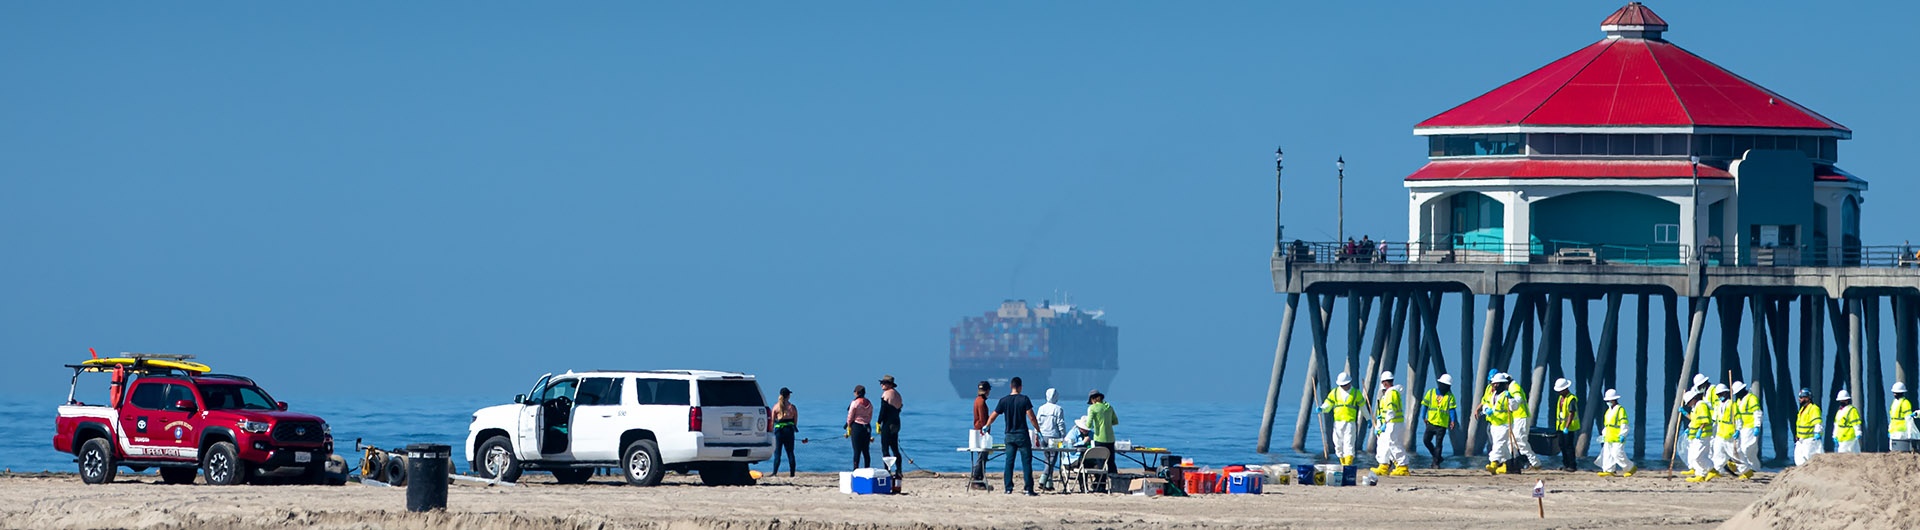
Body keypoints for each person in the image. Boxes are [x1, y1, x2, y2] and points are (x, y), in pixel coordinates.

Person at [982, 377, 1041, 495]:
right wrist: (1038, 430)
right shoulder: (1024, 399)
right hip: (1022, 435)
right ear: (1020, 387)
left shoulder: (1004, 400)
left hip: (1009, 435)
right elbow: (1031, 417)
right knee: (1026, 462)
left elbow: (994, 415)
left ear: (1011, 386)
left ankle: (1008, 488)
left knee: (1009, 462)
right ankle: (1028, 488)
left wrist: (987, 425)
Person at [1319, 372, 1365, 466]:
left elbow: (1363, 407)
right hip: (1338, 423)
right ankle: (1343, 463)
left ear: (1349, 383)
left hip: (1350, 422)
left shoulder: (1356, 393)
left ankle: (1348, 464)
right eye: (1342, 385)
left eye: (1345, 384)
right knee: (1338, 444)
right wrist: (1322, 408)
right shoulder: (1335, 392)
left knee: (1349, 444)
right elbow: (1328, 405)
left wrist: (1368, 418)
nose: (1344, 386)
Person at [1372, 371, 1410, 476]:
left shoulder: (1391, 393)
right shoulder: (1389, 394)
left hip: (1393, 423)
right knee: (1384, 445)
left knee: (1395, 444)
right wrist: (1380, 421)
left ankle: (1402, 467)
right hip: (1389, 423)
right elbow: (1385, 411)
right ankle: (1383, 466)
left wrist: (1385, 423)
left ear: (1384, 383)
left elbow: (1391, 411)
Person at [1481, 372, 1516, 474]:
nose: (1495, 385)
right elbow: (1486, 404)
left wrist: (1511, 399)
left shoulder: (1507, 395)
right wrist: (1486, 409)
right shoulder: (1493, 395)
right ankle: (1506, 465)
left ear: (1503, 384)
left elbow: (1514, 407)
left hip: (1504, 424)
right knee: (1503, 446)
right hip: (1494, 424)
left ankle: (1493, 463)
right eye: (1494, 383)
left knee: (1498, 444)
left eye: (1497, 383)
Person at [1420, 374, 1457, 469]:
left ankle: (1436, 463)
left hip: (1442, 424)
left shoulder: (1450, 396)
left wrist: (1453, 420)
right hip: (1431, 422)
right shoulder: (1431, 392)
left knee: (1438, 444)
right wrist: (1423, 416)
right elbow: (1425, 405)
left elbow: (1452, 409)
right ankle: (1438, 457)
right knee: (1426, 440)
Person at [1507, 376, 1544, 470]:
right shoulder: (1512, 387)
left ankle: (1535, 463)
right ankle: (1515, 462)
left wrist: (1511, 399)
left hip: (1521, 416)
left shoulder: (1514, 387)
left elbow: (1518, 399)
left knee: (1520, 440)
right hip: (1517, 417)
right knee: (1513, 441)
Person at [1595, 389, 1634, 477]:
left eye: (1609, 400)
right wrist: (1603, 435)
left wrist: (1623, 434)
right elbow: (1607, 425)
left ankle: (1630, 468)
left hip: (1617, 436)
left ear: (1614, 399)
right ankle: (1609, 470)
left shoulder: (1620, 410)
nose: (1608, 402)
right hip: (1609, 436)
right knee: (1607, 454)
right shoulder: (1608, 411)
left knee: (1618, 453)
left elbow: (1624, 423)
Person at [1035, 388, 1066, 491]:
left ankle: (1049, 483)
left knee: (1047, 459)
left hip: (1043, 436)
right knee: (1052, 459)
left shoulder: (1041, 408)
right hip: (1055, 436)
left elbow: (1037, 423)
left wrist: (1036, 435)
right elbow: (1060, 424)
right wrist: (1063, 436)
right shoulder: (1058, 409)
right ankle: (1043, 479)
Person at [1086, 389, 1120, 484]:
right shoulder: (1109, 407)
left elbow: (1088, 425)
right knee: (1111, 462)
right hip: (1110, 438)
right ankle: (1116, 483)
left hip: (1099, 438)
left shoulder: (1092, 408)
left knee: (1100, 463)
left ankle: (1101, 484)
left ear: (1093, 399)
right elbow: (1115, 421)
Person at [1684, 390, 1718, 482]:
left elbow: (1705, 420)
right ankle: (1700, 475)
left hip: (1703, 434)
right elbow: (1695, 420)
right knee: (1695, 456)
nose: (1688, 405)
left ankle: (1712, 469)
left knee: (1698, 456)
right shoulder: (1695, 407)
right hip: (1696, 435)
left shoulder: (1701, 405)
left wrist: (1700, 430)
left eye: (1689, 402)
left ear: (1693, 399)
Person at [1731, 381, 1762, 479]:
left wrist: (1757, 426)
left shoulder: (1751, 398)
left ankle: (1749, 469)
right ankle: (1754, 468)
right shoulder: (1739, 401)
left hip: (1751, 427)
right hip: (1742, 428)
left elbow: (1757, 412)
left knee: (1746, 449)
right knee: (1748, 451)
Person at [1710, 384, 1740, 478]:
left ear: (1727, 393)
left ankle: (1746, 470)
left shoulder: (1732, 404)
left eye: (1721, 394)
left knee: (1734, 454)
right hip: (1720, 433)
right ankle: (1717, 470)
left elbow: (1738, 418)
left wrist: (1738, 429)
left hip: (1729, 432)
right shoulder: (1718, 405)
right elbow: (1714, 419)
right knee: (1718, 452)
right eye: (1718, 395)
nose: (1720, 396)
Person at [876, 375, 904, 475]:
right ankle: (899, 470)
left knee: (885, 448)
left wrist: (878, 422)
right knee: (895, 448)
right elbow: (899, 408)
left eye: (884, 383)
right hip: (896, 422)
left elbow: (883, 410)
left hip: (888, 423)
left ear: (890, 384)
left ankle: (887, 470)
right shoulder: (898, 395)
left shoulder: (886, 394)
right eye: (881, 383)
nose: (882, 385)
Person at [1552, 378, 1581, 472]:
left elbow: (1571, 413)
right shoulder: (1561, 398)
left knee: (1569, 446)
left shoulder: (1571, 399)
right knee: (1562, 445)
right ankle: (1566, 464)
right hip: (1561, 426)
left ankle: (1572, 465)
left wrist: (1567, 427)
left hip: (1569, 427)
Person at [770, 387, 798, 477]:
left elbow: (772, 421)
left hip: (779, 431)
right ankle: (792, 474)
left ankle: (774, 472)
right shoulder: (792, 407)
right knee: (790, 452)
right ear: (788, 396)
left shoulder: (776, 407)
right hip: (789, 431)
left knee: (777, 453)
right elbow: (795, 421)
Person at [1792, 388, 1823, 466]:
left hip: (1809, 439)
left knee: (1809, 458)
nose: (1800, 399)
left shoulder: (1813, 408)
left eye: (1802, 397)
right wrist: (1797, 435)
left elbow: (1817, 423)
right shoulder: (1802, 409)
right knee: (1798, 459)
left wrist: (1817, 433)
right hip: (1801, 439)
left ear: (1808, 398)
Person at [845, 385, 873, 469]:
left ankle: (855, 470)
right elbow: (870, 415)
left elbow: (850, 416)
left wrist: (849, 426)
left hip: (857, 426)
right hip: (867, 426)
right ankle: (867, 469)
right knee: (866, 450)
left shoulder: (855, 403)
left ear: (857, 392)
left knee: (857, 451)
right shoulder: (869, 402)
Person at [970, 380, 991, 490]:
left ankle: (979, 479)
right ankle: (976, 479)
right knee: (982, 457)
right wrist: (986, 431)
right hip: (981, 432)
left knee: (981, 456)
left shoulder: (977, 400)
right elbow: (983, 420)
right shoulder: (982, 402)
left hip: (977, 431)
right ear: (987, 391)